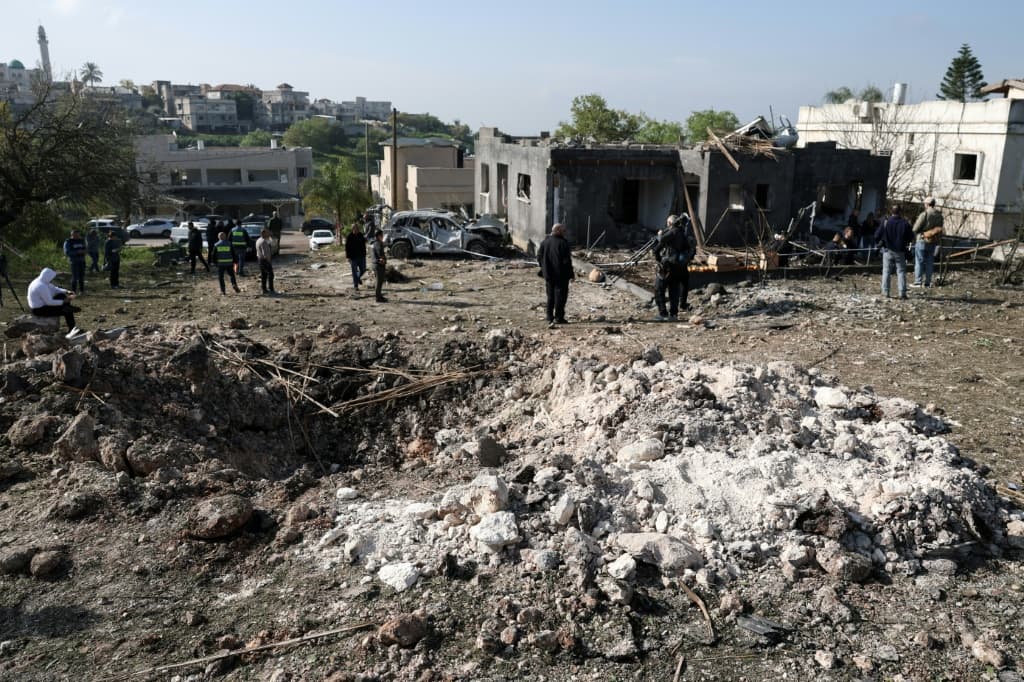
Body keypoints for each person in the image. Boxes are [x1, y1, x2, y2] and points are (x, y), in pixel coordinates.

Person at [874, 204, 914, 300]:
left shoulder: (886, 222)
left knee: (886, 271)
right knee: (901, 272)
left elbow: (876, 235)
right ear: (900, 212)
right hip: (900, 251)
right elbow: (911, 237)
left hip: (887, 250)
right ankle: (902, 293)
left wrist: (879, 243)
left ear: (891, 211)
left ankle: (885, 292)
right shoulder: (905, 223)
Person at [537, 222, 574, 325]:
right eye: (563, 231)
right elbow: (566, 261)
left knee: (550, 296)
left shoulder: (545, 242)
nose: (565, 232)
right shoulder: (563, 243)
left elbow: (539, 257)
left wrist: (543, 268)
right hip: (561, 275)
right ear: (557, 230)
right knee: (560, 296)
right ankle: (559, 317)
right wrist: (571, 274)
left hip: (548, 274)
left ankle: (549, 316)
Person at [27, 267, 81, 338]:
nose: (52, 279)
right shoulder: (41, 286)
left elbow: (55, 289)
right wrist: (64, 301)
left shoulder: (41, 281)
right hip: (39, 310)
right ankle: (72, 328)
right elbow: (49, 302)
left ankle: (66, 307)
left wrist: (66, 291)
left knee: (61, 295)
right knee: (67, 311)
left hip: (43, 305)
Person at [912, 197, 944, 288]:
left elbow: (915, 228)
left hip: (922, 240)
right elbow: (939, 228)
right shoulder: (939, 215)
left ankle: (918, 282)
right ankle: (927, 282)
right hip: (933, 240)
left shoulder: (924, 214)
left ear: (926, 204)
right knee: (930, 262)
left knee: (919, 261)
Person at [63, 229, 87, 294]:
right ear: (72, 235)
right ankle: (73, 291)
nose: (77, 236)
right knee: (74, 277)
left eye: (78, 235)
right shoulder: (68, 241)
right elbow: (67, 252)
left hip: (82, 260)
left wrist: (85, 251)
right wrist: (77, 252)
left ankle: (82, 291)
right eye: (75, 235)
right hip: (74, 261)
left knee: (82, 277)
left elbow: (85, 248)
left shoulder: (82, 241)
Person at [346, 222, 367, 291]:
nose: (356, 230)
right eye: (354, 228)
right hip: (353, 257)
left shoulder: (360, 235)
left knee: (363, 269)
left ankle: (357, 278)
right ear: (352, 229)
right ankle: (356, 286)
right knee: (354, 271)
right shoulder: (349, 236)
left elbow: (364, 243)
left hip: (361, 256)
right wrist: (348, 257)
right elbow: (347, 247)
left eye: (357, 228)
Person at [255, 228, 276, 295]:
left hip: (260, 259)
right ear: (263, 233)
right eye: (267, 233)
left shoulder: (259, 240)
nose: (268, 234)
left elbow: (272, 242)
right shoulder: (264, 242)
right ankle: (271, 289)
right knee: (270, 274)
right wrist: (268, 261)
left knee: (264, 275)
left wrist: (270, 237)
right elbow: (265, 254)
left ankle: (264, 289)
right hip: (265, 260)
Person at [371, 230, 388, 302]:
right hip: (378, 264)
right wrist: (381, 259)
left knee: (380, 281)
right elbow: (378, 251)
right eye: (382, 235)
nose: (383, 236)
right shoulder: (377, 243)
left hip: (378, 264)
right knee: (379, 281)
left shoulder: (377, 242)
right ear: (378, 236)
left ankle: (379, 296)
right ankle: (378, 298)